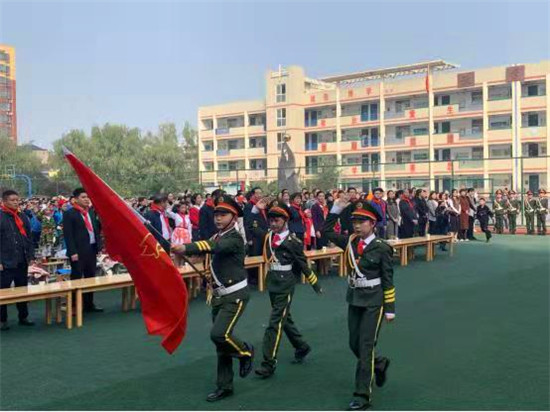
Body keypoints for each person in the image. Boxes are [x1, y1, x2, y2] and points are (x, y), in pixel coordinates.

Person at [172, 195, 254, 402]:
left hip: (235, 294)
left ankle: (245, 351)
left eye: (223, 214)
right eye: (216, 214)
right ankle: (225, 386)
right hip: (218, 296)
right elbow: (208, 251)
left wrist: (186, 247)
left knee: (219, 335)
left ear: (233, 218)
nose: (218, 218)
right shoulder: (217, 235)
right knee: (221, 346)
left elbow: (214, 247)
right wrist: (184, 255)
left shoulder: (234, 238)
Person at [323, 195, 395, 411]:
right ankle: (378, 363)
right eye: (354, 221)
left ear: (372, 223)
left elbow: (388, 278)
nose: (356, 225)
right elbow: (326, 232)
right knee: (354, 343)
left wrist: (390, 308)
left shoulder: (382, 247)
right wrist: (335, 210)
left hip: (374, 300)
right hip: (355, 298)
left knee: (365, 346)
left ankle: (362, 395)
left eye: (361, 221)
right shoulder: (350, 242)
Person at [250, 199, 322, 379]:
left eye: (277, 220)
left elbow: (303, 263)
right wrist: (255, 211)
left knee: (275, 322)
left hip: (285, 283)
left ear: (285, 220)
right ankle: (301, 346)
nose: (273, 224)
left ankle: (268, 363)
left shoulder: (293, 241)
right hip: (272, 281)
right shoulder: (269, 236)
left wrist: (315, 283)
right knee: (284, 318)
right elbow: (253, 228)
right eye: (271, 220)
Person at [63, 188, 103, 313]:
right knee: (77, 278)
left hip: (91, 249)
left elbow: (96, 229)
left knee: (90, 277)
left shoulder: (90, 212)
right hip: (78, 251)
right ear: (75, 199)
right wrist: (72, 252)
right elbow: (68, 235)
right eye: (83, 197)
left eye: (87, 197)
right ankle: (74, 305)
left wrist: (99, 246)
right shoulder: (70, 214)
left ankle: (89, 304)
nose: (86, 199)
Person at [0, 190, 35, 330]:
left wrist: (31, 256)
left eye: (17, 200)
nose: (16, 202)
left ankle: (23, 316)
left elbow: (29, 237)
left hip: (22, 260)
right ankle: (2, 320)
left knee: (22, 290)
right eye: (12, 200)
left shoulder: (23, 216)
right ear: (4, 201)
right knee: (3, 292)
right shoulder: (1, 216)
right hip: (5, 262)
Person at [311, 191, 330, 275]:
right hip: (319, 230)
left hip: (326, 229)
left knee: (326, 248)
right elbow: (314, 220)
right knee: (320, 248)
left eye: (323, 196)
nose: (321, 197)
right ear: (317, 197)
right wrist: (317, 230)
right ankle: (319, 267)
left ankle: (326, 267)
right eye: (320, 196)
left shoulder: (325, 206)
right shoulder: (315, 206)